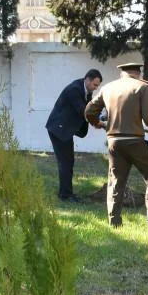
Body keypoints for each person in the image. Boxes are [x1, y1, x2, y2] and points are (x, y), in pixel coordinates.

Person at [84, 62, 148, 227]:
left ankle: (114, 221)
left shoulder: (107, 88)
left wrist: (97, 123)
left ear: (122, 74)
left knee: (116, 181)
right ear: (138, 74)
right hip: (134, 141)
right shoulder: (141, 87)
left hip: (114, 142)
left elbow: (89, 111)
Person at [45, 69, 102, 202]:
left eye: (97, 85)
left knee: (68, 161)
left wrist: (101, 117)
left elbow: (90, 108)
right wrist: (100, 120)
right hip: (59, 129)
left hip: (66, 129)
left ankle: (66, 193)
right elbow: (83, 110)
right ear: (87, 79)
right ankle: (65, 195)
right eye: (95, 84)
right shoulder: (74, 89)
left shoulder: (86, 90)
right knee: (65, 162)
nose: (96, 88)